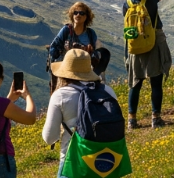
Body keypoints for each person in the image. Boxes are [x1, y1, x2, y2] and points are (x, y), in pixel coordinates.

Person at [123, 0, 174, 129]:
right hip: (154, 42)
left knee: (135, 83)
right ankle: (156, 118)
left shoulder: (126, 5)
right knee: (156, 82)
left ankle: (131, 120)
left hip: (135, 46)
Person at [42, 49, 118, 178]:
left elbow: (49, 138)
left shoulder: (61, 95)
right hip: (106, 161)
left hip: (72, 163)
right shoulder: (107, 91)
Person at [48, 1, 111, 86]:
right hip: (67, 70)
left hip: (84, 71)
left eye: (81, 13)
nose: (78, 15)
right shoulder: (66, 30)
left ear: (86, 17)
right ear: (72, 15)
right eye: (75, 12)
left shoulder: (90, 34)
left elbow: (97, 54)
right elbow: (54, 48)